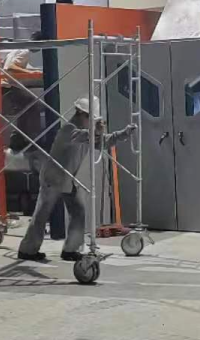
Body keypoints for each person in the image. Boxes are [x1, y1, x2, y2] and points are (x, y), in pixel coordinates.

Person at [18, 97, 137, 262]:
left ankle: (70, 250)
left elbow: (103, 142)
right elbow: (84, 136)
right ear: (80, 114)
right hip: (54, 177)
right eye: (89, 117)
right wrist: (96, 131)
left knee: (78, 212)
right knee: (42, 214)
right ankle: (27, 250)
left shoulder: (86, 131)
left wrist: (124, 134)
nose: (91, 120)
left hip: (68, 179)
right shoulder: (70, 129)